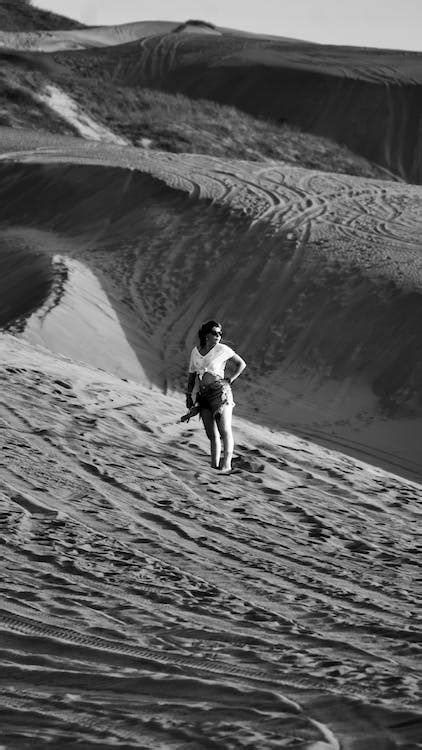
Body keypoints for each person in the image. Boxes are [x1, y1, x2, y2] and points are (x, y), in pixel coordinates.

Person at [184, 320, 246, 473]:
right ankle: (214, 466)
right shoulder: (195, 351)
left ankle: (226, 466)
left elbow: (241, 364)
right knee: (211, 434)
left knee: (224, 431)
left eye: (220, 333)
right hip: (203, 395)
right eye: (215, 333)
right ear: (206, 335)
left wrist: (231, 379)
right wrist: (189, 396)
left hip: (220, 394)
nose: (218, 335)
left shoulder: (222, 349)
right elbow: (192, 376)